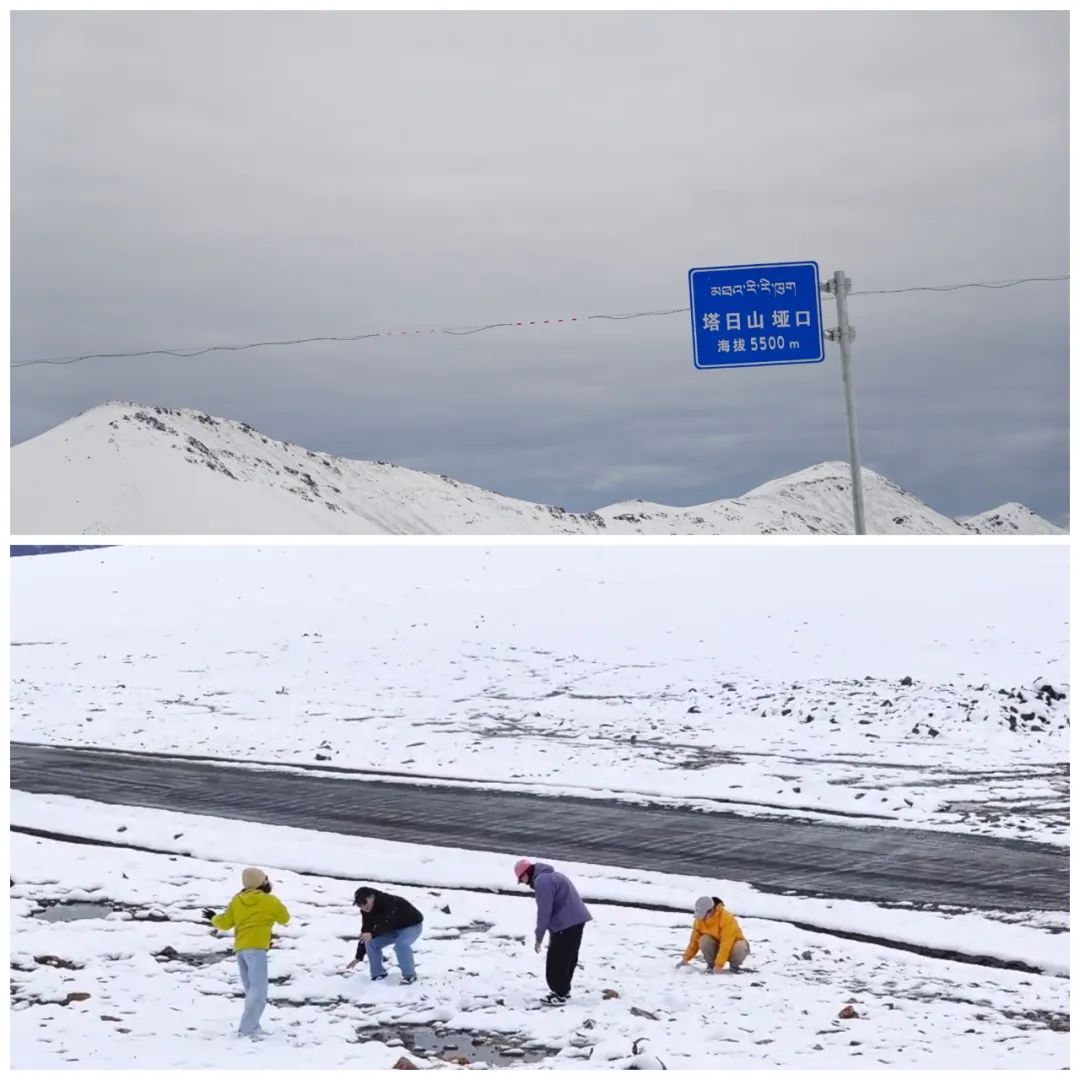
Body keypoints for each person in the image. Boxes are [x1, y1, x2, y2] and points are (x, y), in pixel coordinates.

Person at [202, 867, 290, 1038]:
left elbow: (225, 923)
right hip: (257, 949)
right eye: (265, 879)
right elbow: (285, 918)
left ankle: (253, 1026)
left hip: (241, 949)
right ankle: (247, 1030)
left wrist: (213, 917)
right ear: (261, 882)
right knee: (259, 992)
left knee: (251, 991)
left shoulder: (237, 901)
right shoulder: (270, 901)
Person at [515, 858, 592, 1006]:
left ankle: (559, 993)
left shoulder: (542, 882)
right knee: (568, 957)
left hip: (566, 924)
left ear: (526, 873)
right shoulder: (552, 876)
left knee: (556, 960)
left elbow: (544, 911)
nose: (523, 883)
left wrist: (539, 937)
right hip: (576, 921)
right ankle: (563, 991)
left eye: (521, 879)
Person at [346, 886, 424, 984]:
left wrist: (372, 933)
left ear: (371, 897)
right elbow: (366, 931)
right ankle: (378, 974)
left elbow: (387, 922)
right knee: (371, 942)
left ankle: (410, 976)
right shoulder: (366, 911)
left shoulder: (387, 901)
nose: (363, 907)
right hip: (392, 929)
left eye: (364, 902)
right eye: (359, 905)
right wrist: (359, 956)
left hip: (412, 926)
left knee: (401, 945)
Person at [676, 895, 750, 974]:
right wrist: (686, 958)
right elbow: (694, 941)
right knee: (703, 940)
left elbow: (726, 944)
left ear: (710, 911)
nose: (702, 919)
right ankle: (711, 966)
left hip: (732, 947)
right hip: (717, 947)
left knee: (740, 946)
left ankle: (734, 967)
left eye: (703, 916)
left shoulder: (726, 918)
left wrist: (719, 965)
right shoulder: (699, 920)